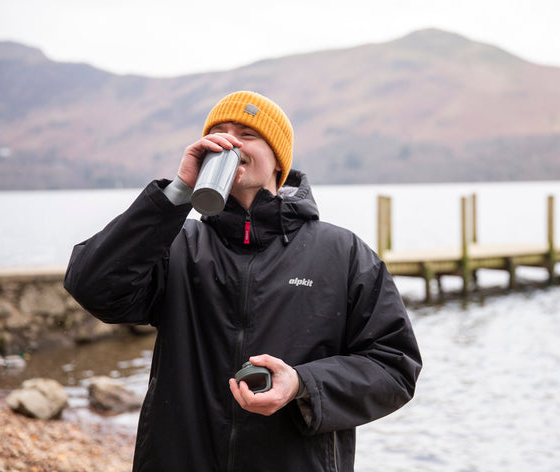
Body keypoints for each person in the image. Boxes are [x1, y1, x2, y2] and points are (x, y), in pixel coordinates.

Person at [64, 91, 422, 472]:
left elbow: (394, 367)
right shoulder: (176, 245)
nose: (229, 142)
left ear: (278, 160)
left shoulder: (342, 253)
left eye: (247, 134)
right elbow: (91, 285)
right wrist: (178, 193)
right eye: (218, 132)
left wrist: (302, 384)